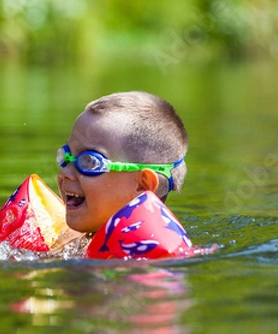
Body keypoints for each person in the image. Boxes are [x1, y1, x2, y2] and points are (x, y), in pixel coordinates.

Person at [56, 91, 188, 235]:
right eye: (66, 155)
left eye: (89, 162)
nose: (64, 173)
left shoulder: (140, 256)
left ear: (142, 185)